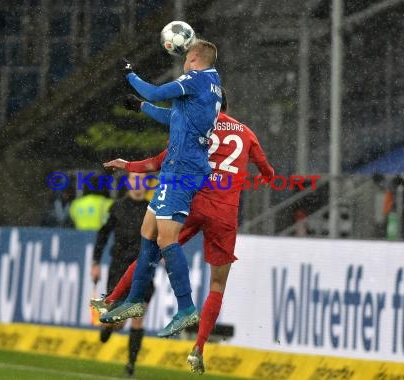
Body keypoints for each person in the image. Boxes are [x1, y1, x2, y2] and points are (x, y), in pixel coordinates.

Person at [94, 89, 274, 374]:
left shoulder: (193, 129)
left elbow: (157, 161)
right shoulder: (246, 133)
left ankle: (112, 299)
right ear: (228, 106)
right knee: (217, 286)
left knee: (150, 249)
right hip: (224, 214)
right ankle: (198, 348)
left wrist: (127, 165)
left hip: (193, 204)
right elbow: (267, 171)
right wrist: (262, 179)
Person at [100, 40, 222, 338]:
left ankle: (185, 307)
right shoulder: (212, 85)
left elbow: (155, 91)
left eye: (185, 57)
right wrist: (142, 107)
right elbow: (174, 117)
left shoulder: (196, 78)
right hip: (175, 169)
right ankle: (133, 302)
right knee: (148, 232)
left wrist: (129, 74)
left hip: (183, 170)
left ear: (193, 57)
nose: (183, 62)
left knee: (167, 239)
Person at [91, 172, 153, 377]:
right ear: (128, 183)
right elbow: (103, 235)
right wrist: (96, 263)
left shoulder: (152, 210)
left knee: (137, 316)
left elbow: (162, 236)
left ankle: (131, 365)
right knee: (119, 322)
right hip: (119, 268)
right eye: (134, 180)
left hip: (143, 269)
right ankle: (110, 325)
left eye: (141, 180)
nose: (138, 184)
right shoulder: (117, 207)